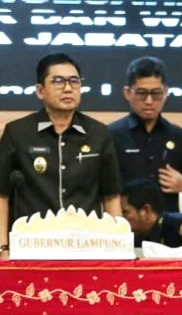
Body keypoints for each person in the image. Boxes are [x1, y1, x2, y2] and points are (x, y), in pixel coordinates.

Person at [0, 53, 123, 259]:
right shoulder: (18, 133)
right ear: (40, 90)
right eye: (58, 81)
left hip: (87, 248)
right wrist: (2, 248)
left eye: (74, 81)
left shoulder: (99, 134)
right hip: (31, 247)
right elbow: (2, 195)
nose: (68, 88)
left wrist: (117, 250)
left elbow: (111, 196)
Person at [109, 57, 182, 213]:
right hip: (125, 224)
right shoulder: (111, 135)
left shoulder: (179, 136)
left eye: (156, 93)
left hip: (167, 223)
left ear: (165, 93)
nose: (149, 101)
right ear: (127, 93)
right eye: (142, 93)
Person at [121, 179, 182, 259]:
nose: (122, 219)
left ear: (146, 210)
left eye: (126, 212)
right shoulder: (138, 237)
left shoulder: (180, 226)